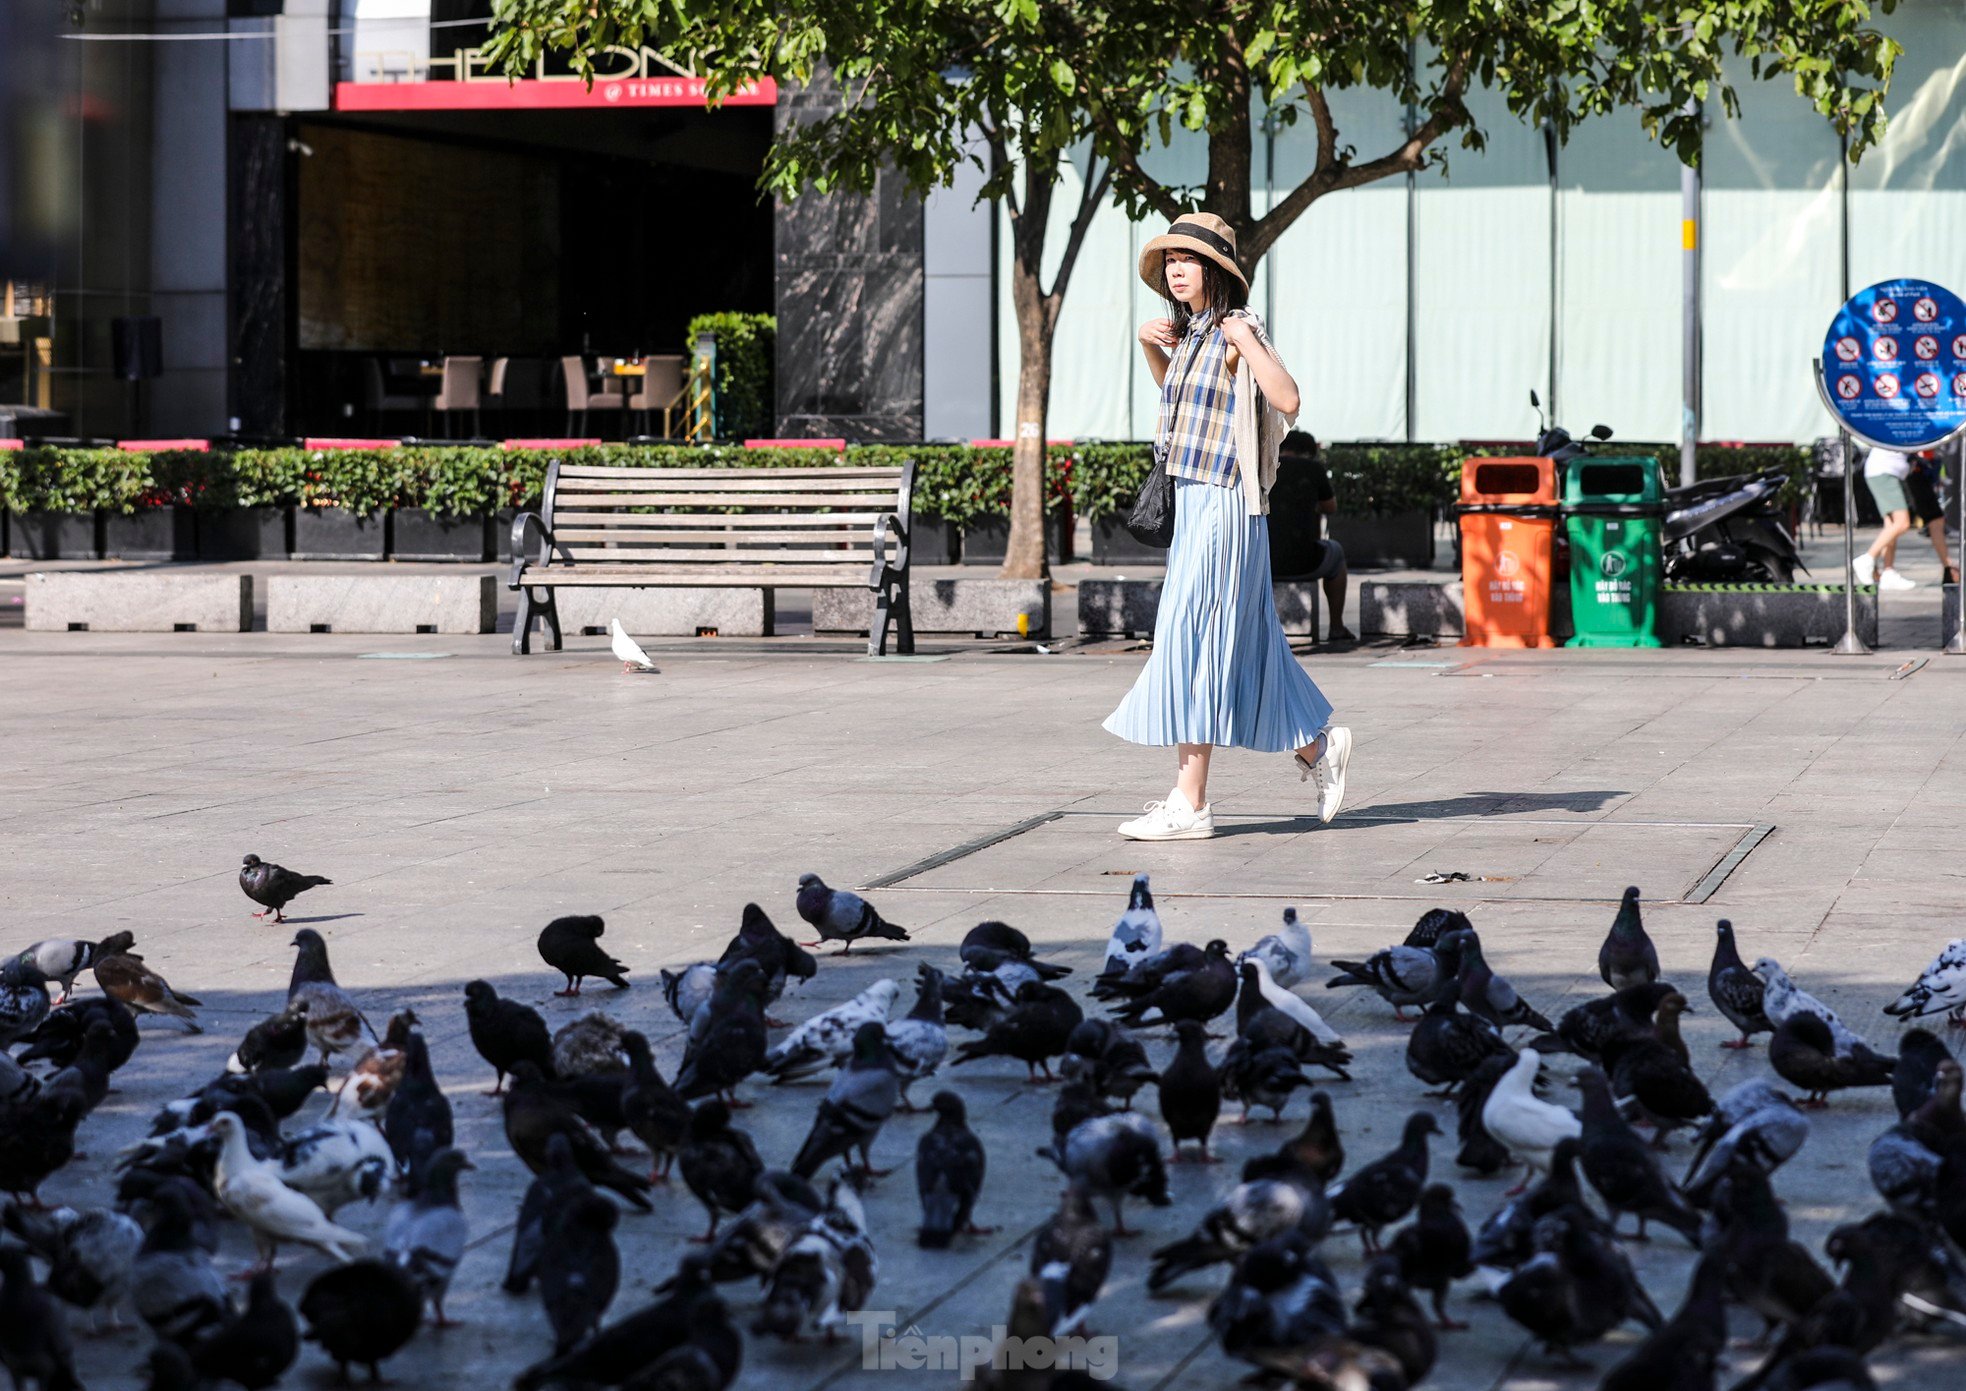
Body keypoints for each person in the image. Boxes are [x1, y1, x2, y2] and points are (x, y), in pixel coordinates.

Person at [1103, 212, 1352, 842]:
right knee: (1243, 643)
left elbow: (1289, 399)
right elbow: (1181, 407)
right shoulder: (1189, 334)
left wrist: (1249, 342)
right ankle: (1317, 748)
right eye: (1169, 263)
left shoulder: (1238, 326)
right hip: (1193, 502)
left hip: (1225, 501)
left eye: (1187, 260)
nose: (1176, 270)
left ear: (1215, 270)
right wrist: (1148, 347)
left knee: (1192, 639)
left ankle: (1191, 804)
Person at [1276, 430, 1354, 642]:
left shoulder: (1264, 467)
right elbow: (1330, 507)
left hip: (1263, 561)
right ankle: (1336, 626)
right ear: (1309, 452)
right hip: (1305, 561)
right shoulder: (1313, 468)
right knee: (1336, 553)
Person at [1856, 445, 1956, 589]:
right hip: (1886, 471)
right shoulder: (1905, 428)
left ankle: (1888, 572)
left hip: (1889, 471)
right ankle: (1868, 559)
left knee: (1891, 525)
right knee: (1901, 523)